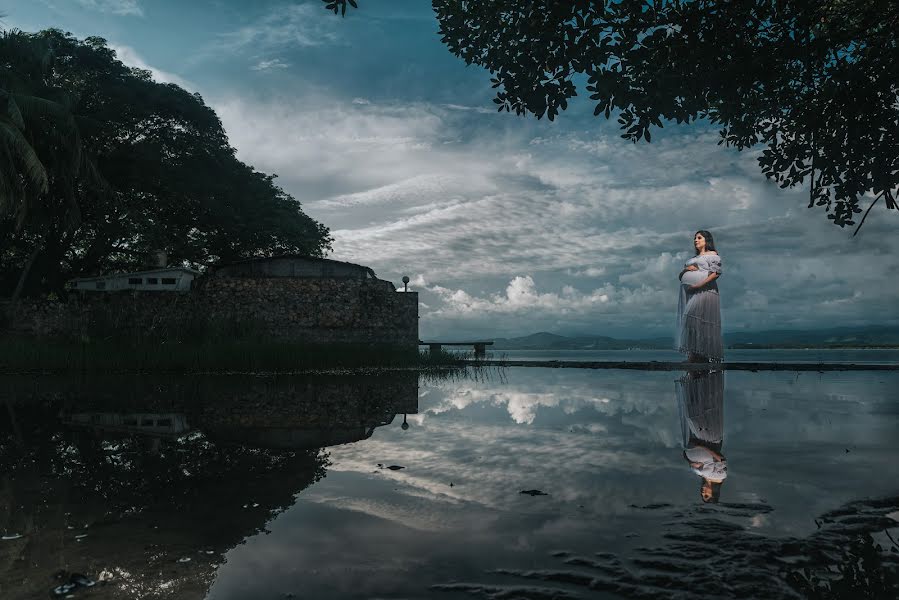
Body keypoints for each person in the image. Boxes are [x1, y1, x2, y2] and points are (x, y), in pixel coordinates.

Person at [675, 369, 726, 503]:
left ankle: (695, 378)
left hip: (696, 441)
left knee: (693, 411)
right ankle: (700, 378)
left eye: (702, 494)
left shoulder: (703, 476)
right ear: (713, 493)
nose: (703, 492)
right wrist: (701, 447)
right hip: (709, 439)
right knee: (700, 411)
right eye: (706, 495)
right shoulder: (719, 477)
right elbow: (720, 459)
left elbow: (691, 462)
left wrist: (691, 461)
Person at [675, 230, 723, 363]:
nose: (696, 240)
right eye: (695, 238)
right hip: (691, 293)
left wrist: (698, 286)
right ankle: (694, 355)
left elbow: (716, 273)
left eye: (699, 238)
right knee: (693, 323)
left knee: (694, 320)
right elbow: (680, 278)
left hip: (705, 291)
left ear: (706, 240)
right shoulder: (693, 259)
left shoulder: (712, 255)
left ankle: (702, 354)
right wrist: (686, 270)